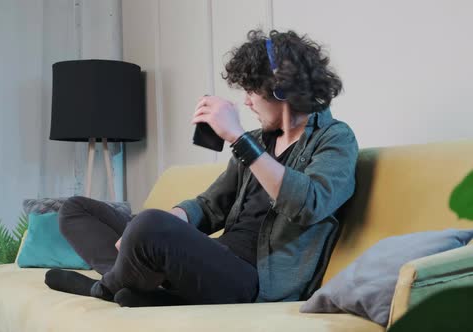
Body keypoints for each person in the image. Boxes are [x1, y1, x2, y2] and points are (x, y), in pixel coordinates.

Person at [44, 29, 359, 307]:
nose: (247, 102)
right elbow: (211, 206)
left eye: (251, 91)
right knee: (76, 210)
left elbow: (310, 204)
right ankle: (146, 289)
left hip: (255, 283)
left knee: (148, 226)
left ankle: (107, 287)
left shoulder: (335, 139)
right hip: (213, 259)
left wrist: (235, 137)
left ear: (283, 91)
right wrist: (177, 217)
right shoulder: (258, 141)